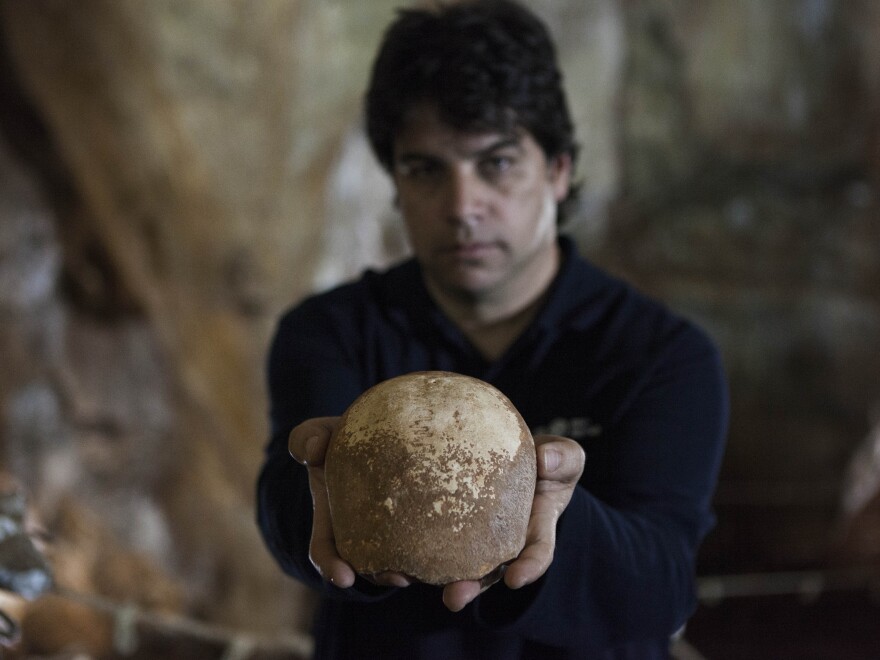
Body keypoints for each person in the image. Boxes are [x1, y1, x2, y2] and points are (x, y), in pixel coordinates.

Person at [256, 1, 729, 658]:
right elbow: (284, 499)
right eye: (426, 169)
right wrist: (320, 506)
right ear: (395, 182)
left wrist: (553, 516)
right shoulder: (329, 331)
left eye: (497, 163)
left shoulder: (662, 356)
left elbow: (662, 585)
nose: (461, 208)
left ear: (558, 172)